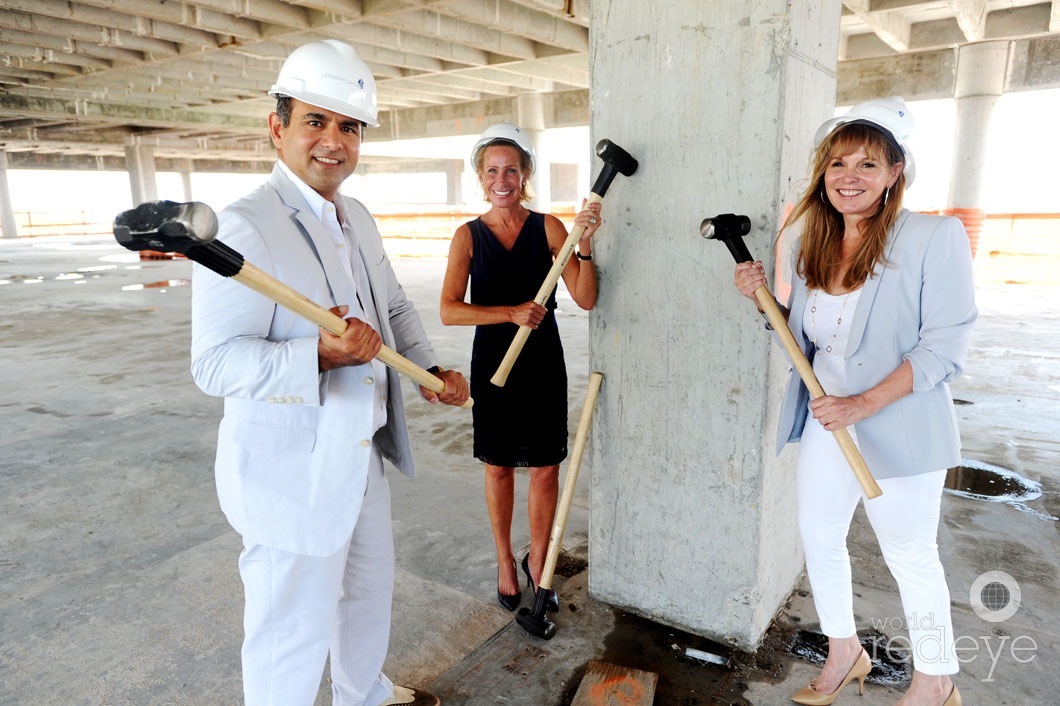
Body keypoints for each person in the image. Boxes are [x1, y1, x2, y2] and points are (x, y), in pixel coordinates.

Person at [190, 39, 468, 706]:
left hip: (358, 450)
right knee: (289, 627)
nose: (333, 142)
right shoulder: (243, 228)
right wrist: (316, 354)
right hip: (291, 471)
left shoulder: (357, 216)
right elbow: (215, 363)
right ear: (277, 126)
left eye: (349, 126)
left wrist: (429, 366)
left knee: (368, 591)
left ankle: (362, 694)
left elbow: (393, 304)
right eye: (316, 121)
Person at [733, 97, 975, 706]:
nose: (849, 176)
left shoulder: (933, 236)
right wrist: (765, 304)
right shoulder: (812, 244)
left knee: (909, 553)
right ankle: (846, 653)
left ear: (896, 171)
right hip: (827, 417)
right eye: (838, 163)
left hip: (899, 420)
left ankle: (935, 680)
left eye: (868, 164)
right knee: (818, 535)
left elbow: (944, 347)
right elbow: (809, 337)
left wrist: (864, 404)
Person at [439, 122, 602, 612]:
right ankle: (505, 559)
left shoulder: (549, 227)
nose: (502, 178)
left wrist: (586, 243)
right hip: (494, 364)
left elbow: (587, 297)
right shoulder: (467, 236)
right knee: (499, 469)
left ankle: (539, 563)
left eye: (511, 169)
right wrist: (509, 312)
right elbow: (449, 310)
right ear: (480, 177)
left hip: (542, 362)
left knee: (547, 470)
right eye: (492, 170)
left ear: (526, 173)